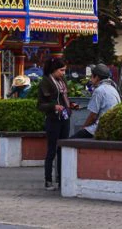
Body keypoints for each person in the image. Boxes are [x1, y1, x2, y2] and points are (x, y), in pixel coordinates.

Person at [37, 58, 78, 191]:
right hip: (53, 119)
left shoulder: (62, 81)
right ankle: (48, 180)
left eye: (64, 70)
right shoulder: (46, 82)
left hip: (65, 118)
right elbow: (40, 105)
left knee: (63, 149)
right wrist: (54, 106)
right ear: (53, 69)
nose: (63, 73)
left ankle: (61, 179)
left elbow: (65, 98)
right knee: (52, 150)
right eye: (61, 70)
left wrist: (70, 105)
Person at [72, 64, 121, 139]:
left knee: (71, 141)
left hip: (100, 128)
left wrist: (83, 127)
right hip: (112, 127)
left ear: (97, 77)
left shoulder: (99, 90)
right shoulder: (113, 88)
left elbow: (93, 116)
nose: (90, 79)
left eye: (92, 76)